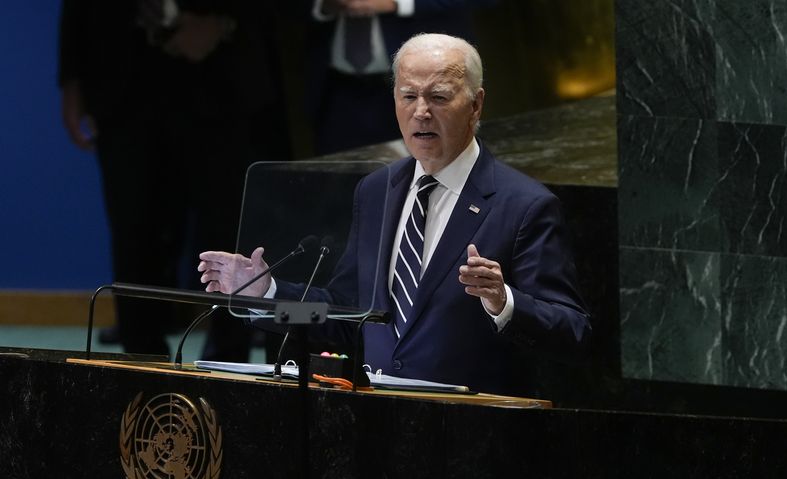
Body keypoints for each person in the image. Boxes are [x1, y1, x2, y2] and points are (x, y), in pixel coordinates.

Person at [198, 33, 591, 396]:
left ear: (476, 105)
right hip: (380, 423)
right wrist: (267, 295)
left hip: (472, 428)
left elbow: (573, 331)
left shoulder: (524, 205)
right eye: (408, 96)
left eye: (438, 97)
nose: (421, 112)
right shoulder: (376, 191)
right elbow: (345, 315)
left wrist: (503, 302)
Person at [59, 0, 291, 360]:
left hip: (221, 77)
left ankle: (229, 360)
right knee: (134, 234)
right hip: (123, 81)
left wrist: (223, 21)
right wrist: (71, 82)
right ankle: (139, 363)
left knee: (228, 229)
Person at [305, 0, 496, 154]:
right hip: (337, 90)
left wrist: (397, 3)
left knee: (430, 176)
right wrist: (324, 4)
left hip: (423, 89)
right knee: (338, 178)